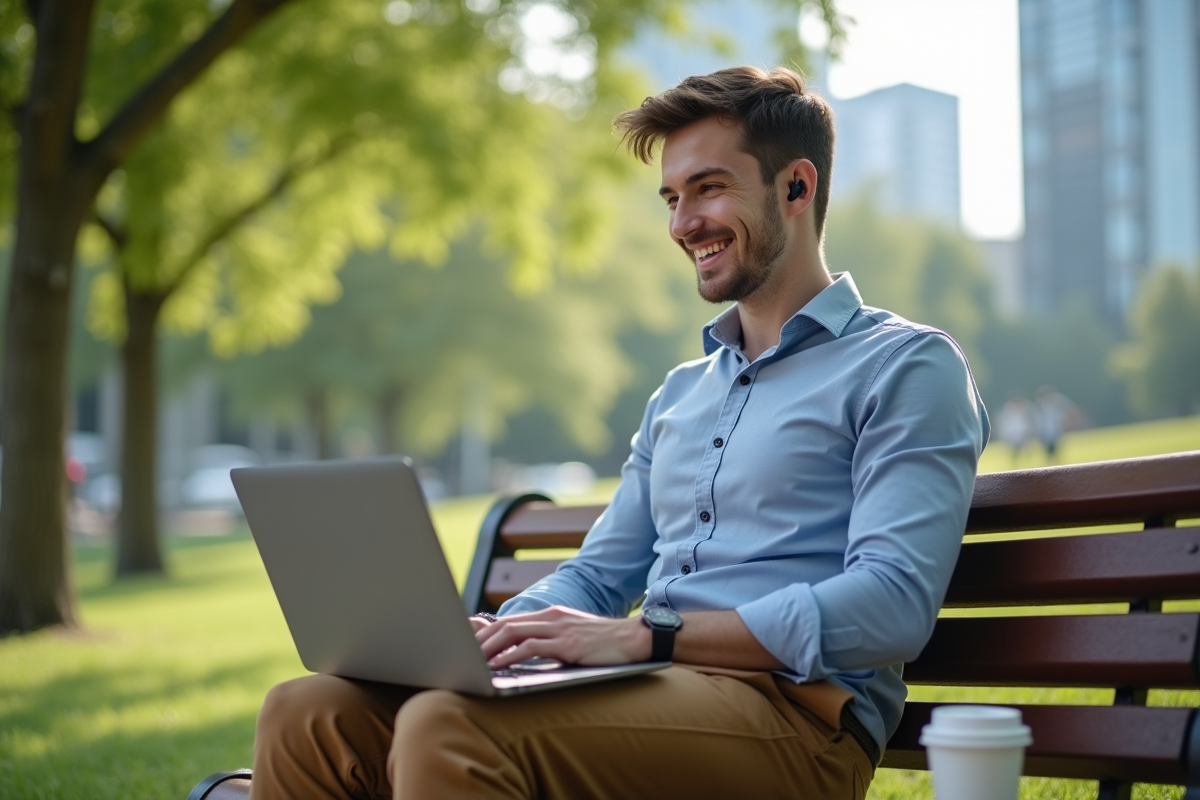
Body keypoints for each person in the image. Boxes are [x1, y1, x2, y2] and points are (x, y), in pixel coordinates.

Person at [250, 66, 989, 800]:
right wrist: (495, 635)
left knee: (451, 724)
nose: (682, 224)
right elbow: (601, 577)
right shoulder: (680, 394)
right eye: (672, 198)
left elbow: (892, 604)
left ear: (796, 187)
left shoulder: (904, 366)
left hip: (799, 721)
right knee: (308, 711)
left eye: (709, 188)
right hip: (648, 693)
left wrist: (652, 636)